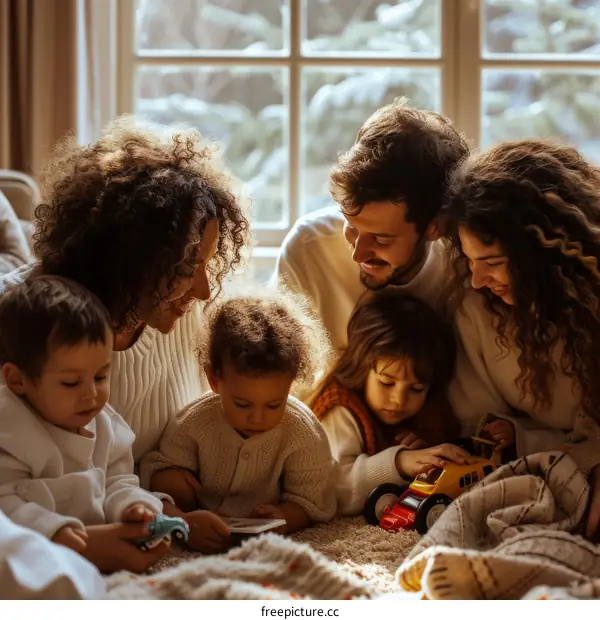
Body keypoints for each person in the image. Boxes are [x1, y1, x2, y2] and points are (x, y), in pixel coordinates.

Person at [0, 116, 250, 464]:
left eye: (206, 266)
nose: (205, 292)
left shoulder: (190, 319)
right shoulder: (14, 318)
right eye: (184, 269)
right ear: (128, 261)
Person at [444, 138, 600, 538]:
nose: (478, 280)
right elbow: (479, 427)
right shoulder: (475, 306)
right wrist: (518, 438)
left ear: (543, 252)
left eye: (493, 262)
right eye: (471, 261)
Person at [0, 276, 172, 574]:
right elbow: (5, 501)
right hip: (35, 560)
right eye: (71, 382)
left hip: (104, 557)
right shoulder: (10, 428)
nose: (91, 394)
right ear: (18, 380)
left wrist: (133, 507)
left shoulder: (103, 423)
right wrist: (52, 530)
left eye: (101, 377)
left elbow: (118, 481)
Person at [140, 290, 336, 551]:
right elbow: (155, 478)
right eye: (242, 404)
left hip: (264, 531)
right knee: (170, 481)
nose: (257, 418)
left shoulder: (303, 432)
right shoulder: (194, 422)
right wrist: (173, 488)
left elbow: (313, 501)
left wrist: (285, 517)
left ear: (290, 386)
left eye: (274, 404)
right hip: (202, 514)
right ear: (214, 382)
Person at [273, 98, 470, 354]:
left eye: (381, 239)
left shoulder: (465, 267)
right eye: (352, 225)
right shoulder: (309, 248)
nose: (358, 253)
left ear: (435, 228)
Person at [309, 290, 464, 515]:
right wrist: (399, 462)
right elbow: (334, 489)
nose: (399, 400)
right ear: (362, 368)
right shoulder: (340, 408)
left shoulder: (429, 407)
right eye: (386, 383)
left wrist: (422, 452)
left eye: (416, 388)